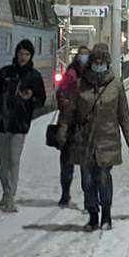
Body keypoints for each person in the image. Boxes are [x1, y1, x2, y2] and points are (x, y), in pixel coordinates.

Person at [59, 42, 129, 230]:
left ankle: (107, 214)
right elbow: (70, 112)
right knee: (87, 180)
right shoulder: (80, 85)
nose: (99, 64)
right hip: (84, 139)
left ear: (107, 63)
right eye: (96, 61)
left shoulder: (115, 85)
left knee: (102, 177)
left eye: (102, 61)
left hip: (107, 139)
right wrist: (62, 132)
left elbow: (123, 115)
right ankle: (93, 214)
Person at [0, 38, 48, 213]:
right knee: (2, 162)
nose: (23, 57)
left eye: (27, 54)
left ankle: (10, 196)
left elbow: (42, 100)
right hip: (0, 124)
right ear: (16, 54)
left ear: (31, 56)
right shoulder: (3, 74)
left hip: (19, 126)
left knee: (14, 160)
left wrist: (31, 97)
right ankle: (7, 194)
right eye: (21, 53)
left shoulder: (34, 77)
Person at [53, 46, 90, 207]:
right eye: (81, 54)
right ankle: (65, 193)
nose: (83, 57)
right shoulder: (71, 74)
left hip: (85, 124)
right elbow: (61, 93)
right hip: (69, 123)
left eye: (86, 55)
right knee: (67, 161)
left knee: (86, 164)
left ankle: (88, 197)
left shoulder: (92, 75)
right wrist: (68, 105)